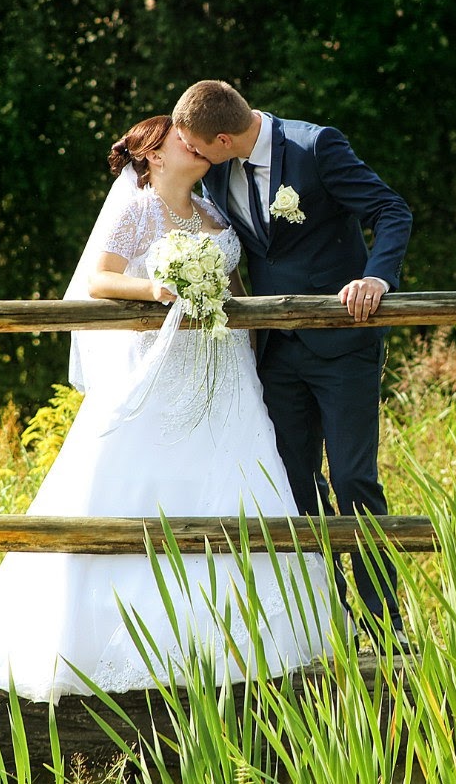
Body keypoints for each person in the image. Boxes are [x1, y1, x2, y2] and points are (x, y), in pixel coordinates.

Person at [0, 115, 336, 703]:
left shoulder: (215, 215)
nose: (195, 145)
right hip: (163, 368)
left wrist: (239, 327)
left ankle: (238, 642)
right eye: (181, 139)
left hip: (225, 373)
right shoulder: (139, 211)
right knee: (137, 490)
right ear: (153, 156)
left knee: (240, 486)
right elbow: (99, 280)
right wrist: (161, 289)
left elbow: (234, 287)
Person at [170, 81, 413, 647]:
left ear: (224, 138)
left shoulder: (316, 146)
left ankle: (385, 628)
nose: (195, 157)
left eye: (199, 147)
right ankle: (331, 623)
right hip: (274, 353)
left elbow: (391, 209)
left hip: (343, 346)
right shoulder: (216, 172)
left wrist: (377, 276)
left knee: (354, 480)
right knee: (295, 486)